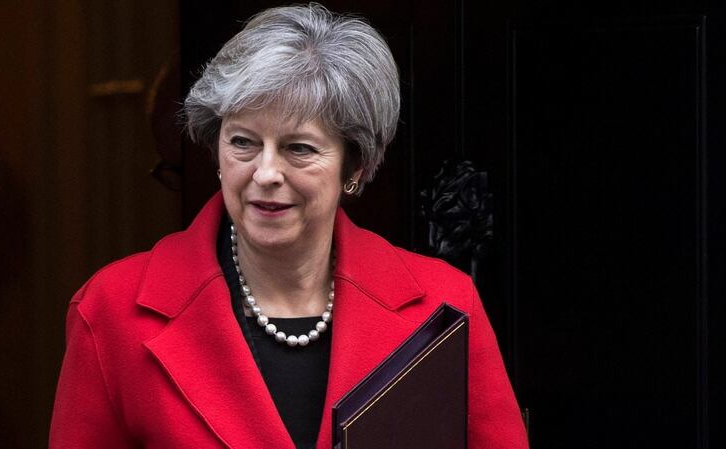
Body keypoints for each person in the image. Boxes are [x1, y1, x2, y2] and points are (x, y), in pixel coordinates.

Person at [48, 4, 529, 448]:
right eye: (243, 142)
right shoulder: (111, 311)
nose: (265, 173)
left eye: (299, 148)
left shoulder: (444, 306)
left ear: (354, 167)